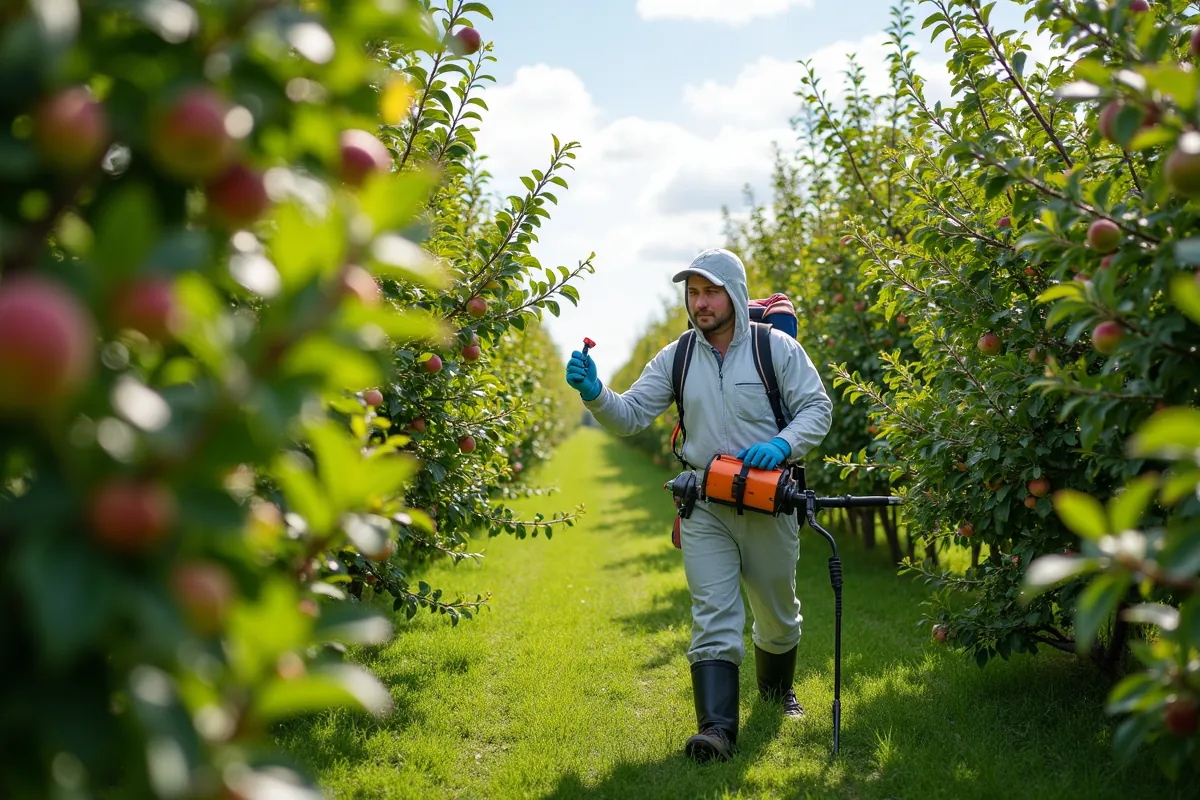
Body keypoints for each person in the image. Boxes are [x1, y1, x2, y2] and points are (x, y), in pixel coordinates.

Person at [564, 248, 833, 763]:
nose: (701, 303)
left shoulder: (775, 348)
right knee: (713, 612)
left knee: (778, 614)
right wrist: (596, 392)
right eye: (693, 293)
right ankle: (716, 730)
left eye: (711, 292)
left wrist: (782, 444)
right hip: (705, 503)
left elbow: (817, 408)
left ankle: (778, 693)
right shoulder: (679, 356)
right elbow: (631, 414)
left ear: (734, 293)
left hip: (768, 501)